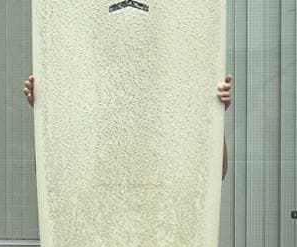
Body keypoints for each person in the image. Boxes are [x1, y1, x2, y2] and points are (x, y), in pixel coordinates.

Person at [23, 72, 233, 178]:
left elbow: (217, 173)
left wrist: (214, 115)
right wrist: (49, 112)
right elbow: (57, 174)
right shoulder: (96, 143)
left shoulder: (165, 138)